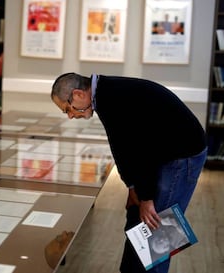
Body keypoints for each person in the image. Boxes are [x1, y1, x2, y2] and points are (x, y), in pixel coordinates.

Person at [50, 72, 207, 273]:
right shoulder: (105, 95)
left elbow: (142, 151)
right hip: (166, 152)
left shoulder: (112, 97)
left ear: (79, 94)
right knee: (139, 220)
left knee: (157, 236)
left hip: (182, 155)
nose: (71, 116)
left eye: (67, 109)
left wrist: (147, 198)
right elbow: (122, 148)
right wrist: (132, 187)